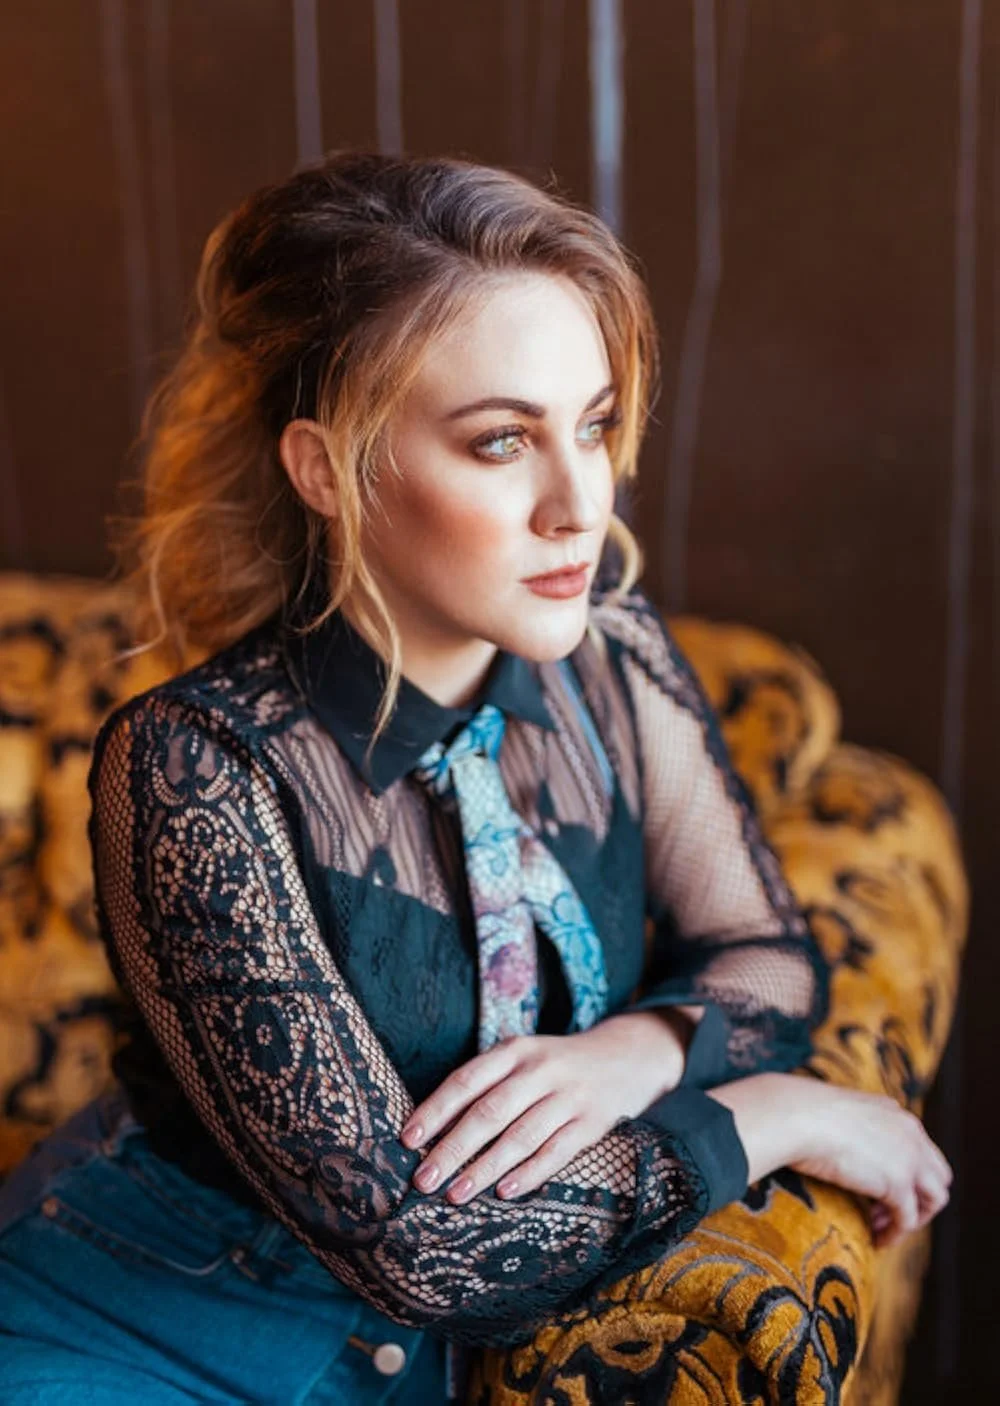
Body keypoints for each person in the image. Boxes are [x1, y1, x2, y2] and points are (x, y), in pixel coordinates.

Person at [0, 152, 950, 1404]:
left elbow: (765, 953)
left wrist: (638, 1046)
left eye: (596, 422)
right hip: (142, 1327)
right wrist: (768, 1115)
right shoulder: (193, 766)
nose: (580, 499)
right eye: (502, 440)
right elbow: (424, 1250)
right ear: (327, 469)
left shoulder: (612, 658)